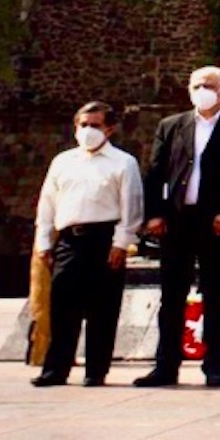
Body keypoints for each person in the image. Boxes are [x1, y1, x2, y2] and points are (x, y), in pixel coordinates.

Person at [135, 67, 220, 388]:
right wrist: (155, 214)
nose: (202, 90)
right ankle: (166, 365)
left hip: (216, 221)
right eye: (196, 85)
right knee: (172, 294)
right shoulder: (172, 126)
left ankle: (214, 365)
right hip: (177, 220)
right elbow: (156, 173)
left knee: (216, 293)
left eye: (209, 85)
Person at [31, 101, 144, 387]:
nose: (88, 131)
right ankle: (56, 368)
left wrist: (121, 243)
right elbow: (47, 204)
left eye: (95, 125)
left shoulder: (123, 162)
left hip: (104, 239)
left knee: (102, 308)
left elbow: (131, 206)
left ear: (110, 128)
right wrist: (44, 242)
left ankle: (96, 369)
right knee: (62, 305)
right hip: (70, 238)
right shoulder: (63, 161)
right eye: (84, 125)